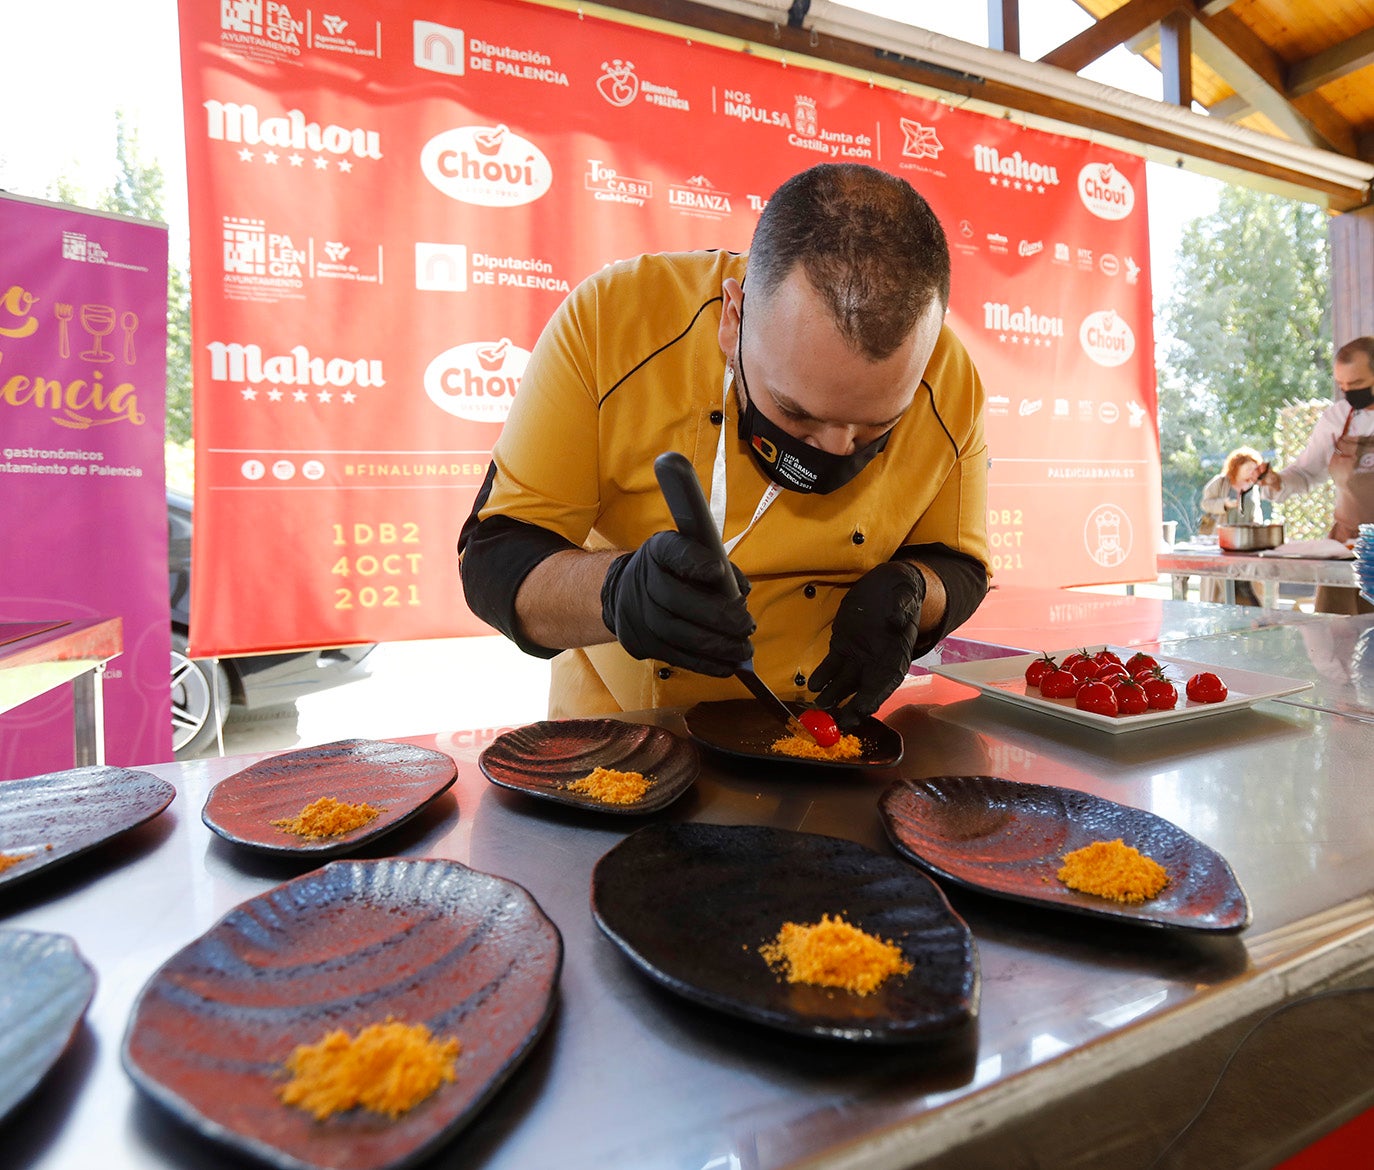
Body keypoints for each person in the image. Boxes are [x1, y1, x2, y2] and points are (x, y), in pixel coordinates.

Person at [459, 163, 990, 724]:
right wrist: (617, 592)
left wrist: (913, 593)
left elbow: (959, 564)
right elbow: (495, 559)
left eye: (878, 426)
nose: (835, 450)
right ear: (733, 319)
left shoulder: (951, 380)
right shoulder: (613, 321)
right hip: (622, 742)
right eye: (795, 412)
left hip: (823, 735)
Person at [1258, 336, 1374, 615]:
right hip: (1349, 547)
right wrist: (1278, 481)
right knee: (1337, 641)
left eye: (1356, 385)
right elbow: (1306, 471)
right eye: (1342, 385)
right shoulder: (1337, 418)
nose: (1348, 392)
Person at [1197, 446, 1264, 605]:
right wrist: (1224, 504)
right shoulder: (1220, 482)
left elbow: (1256, 509)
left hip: (1245, 542)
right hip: (1223, 539)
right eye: (1248, 468)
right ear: (1236, 466)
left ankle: (1249, 612)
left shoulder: (1252, 487)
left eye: (1254, 469)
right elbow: (1205, 504)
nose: (1251, 472)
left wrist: (1257, 525)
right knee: (1221, 581)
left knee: (1246, 583)